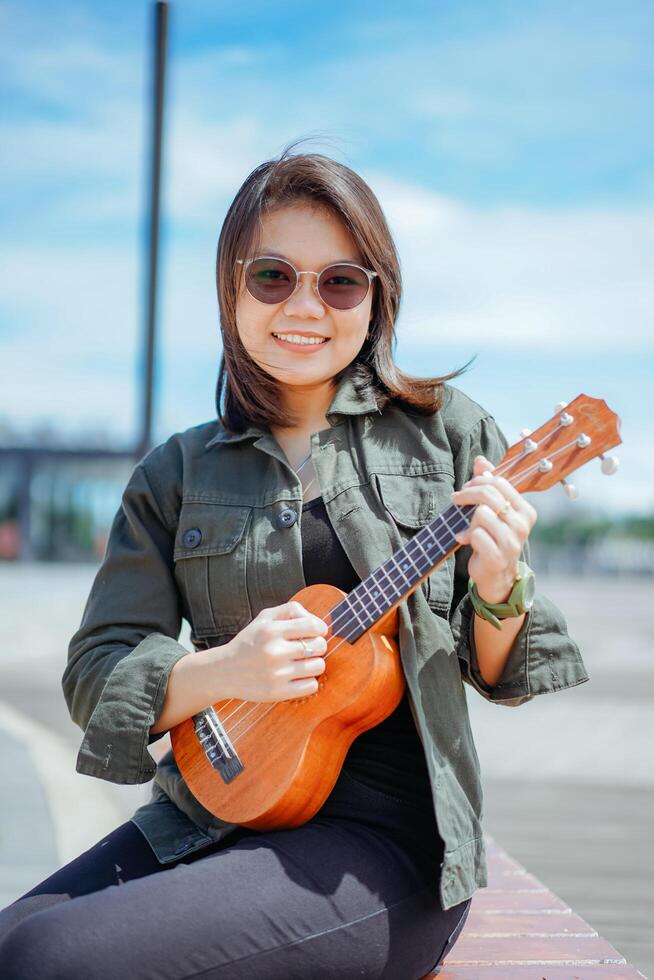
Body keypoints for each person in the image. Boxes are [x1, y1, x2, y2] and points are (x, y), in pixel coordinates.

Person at [0, 148, 588, 979]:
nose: (305, 306)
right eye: (273, 276)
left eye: (340, 281)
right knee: (11, 946)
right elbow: (97, 673)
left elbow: (505, 674)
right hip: (212, 809)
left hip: (384, 850)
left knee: (56, 961)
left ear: (375, 296)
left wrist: (501, 587)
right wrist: (224, 670)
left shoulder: (446, 433)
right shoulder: (177, 473)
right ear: (231, 289)